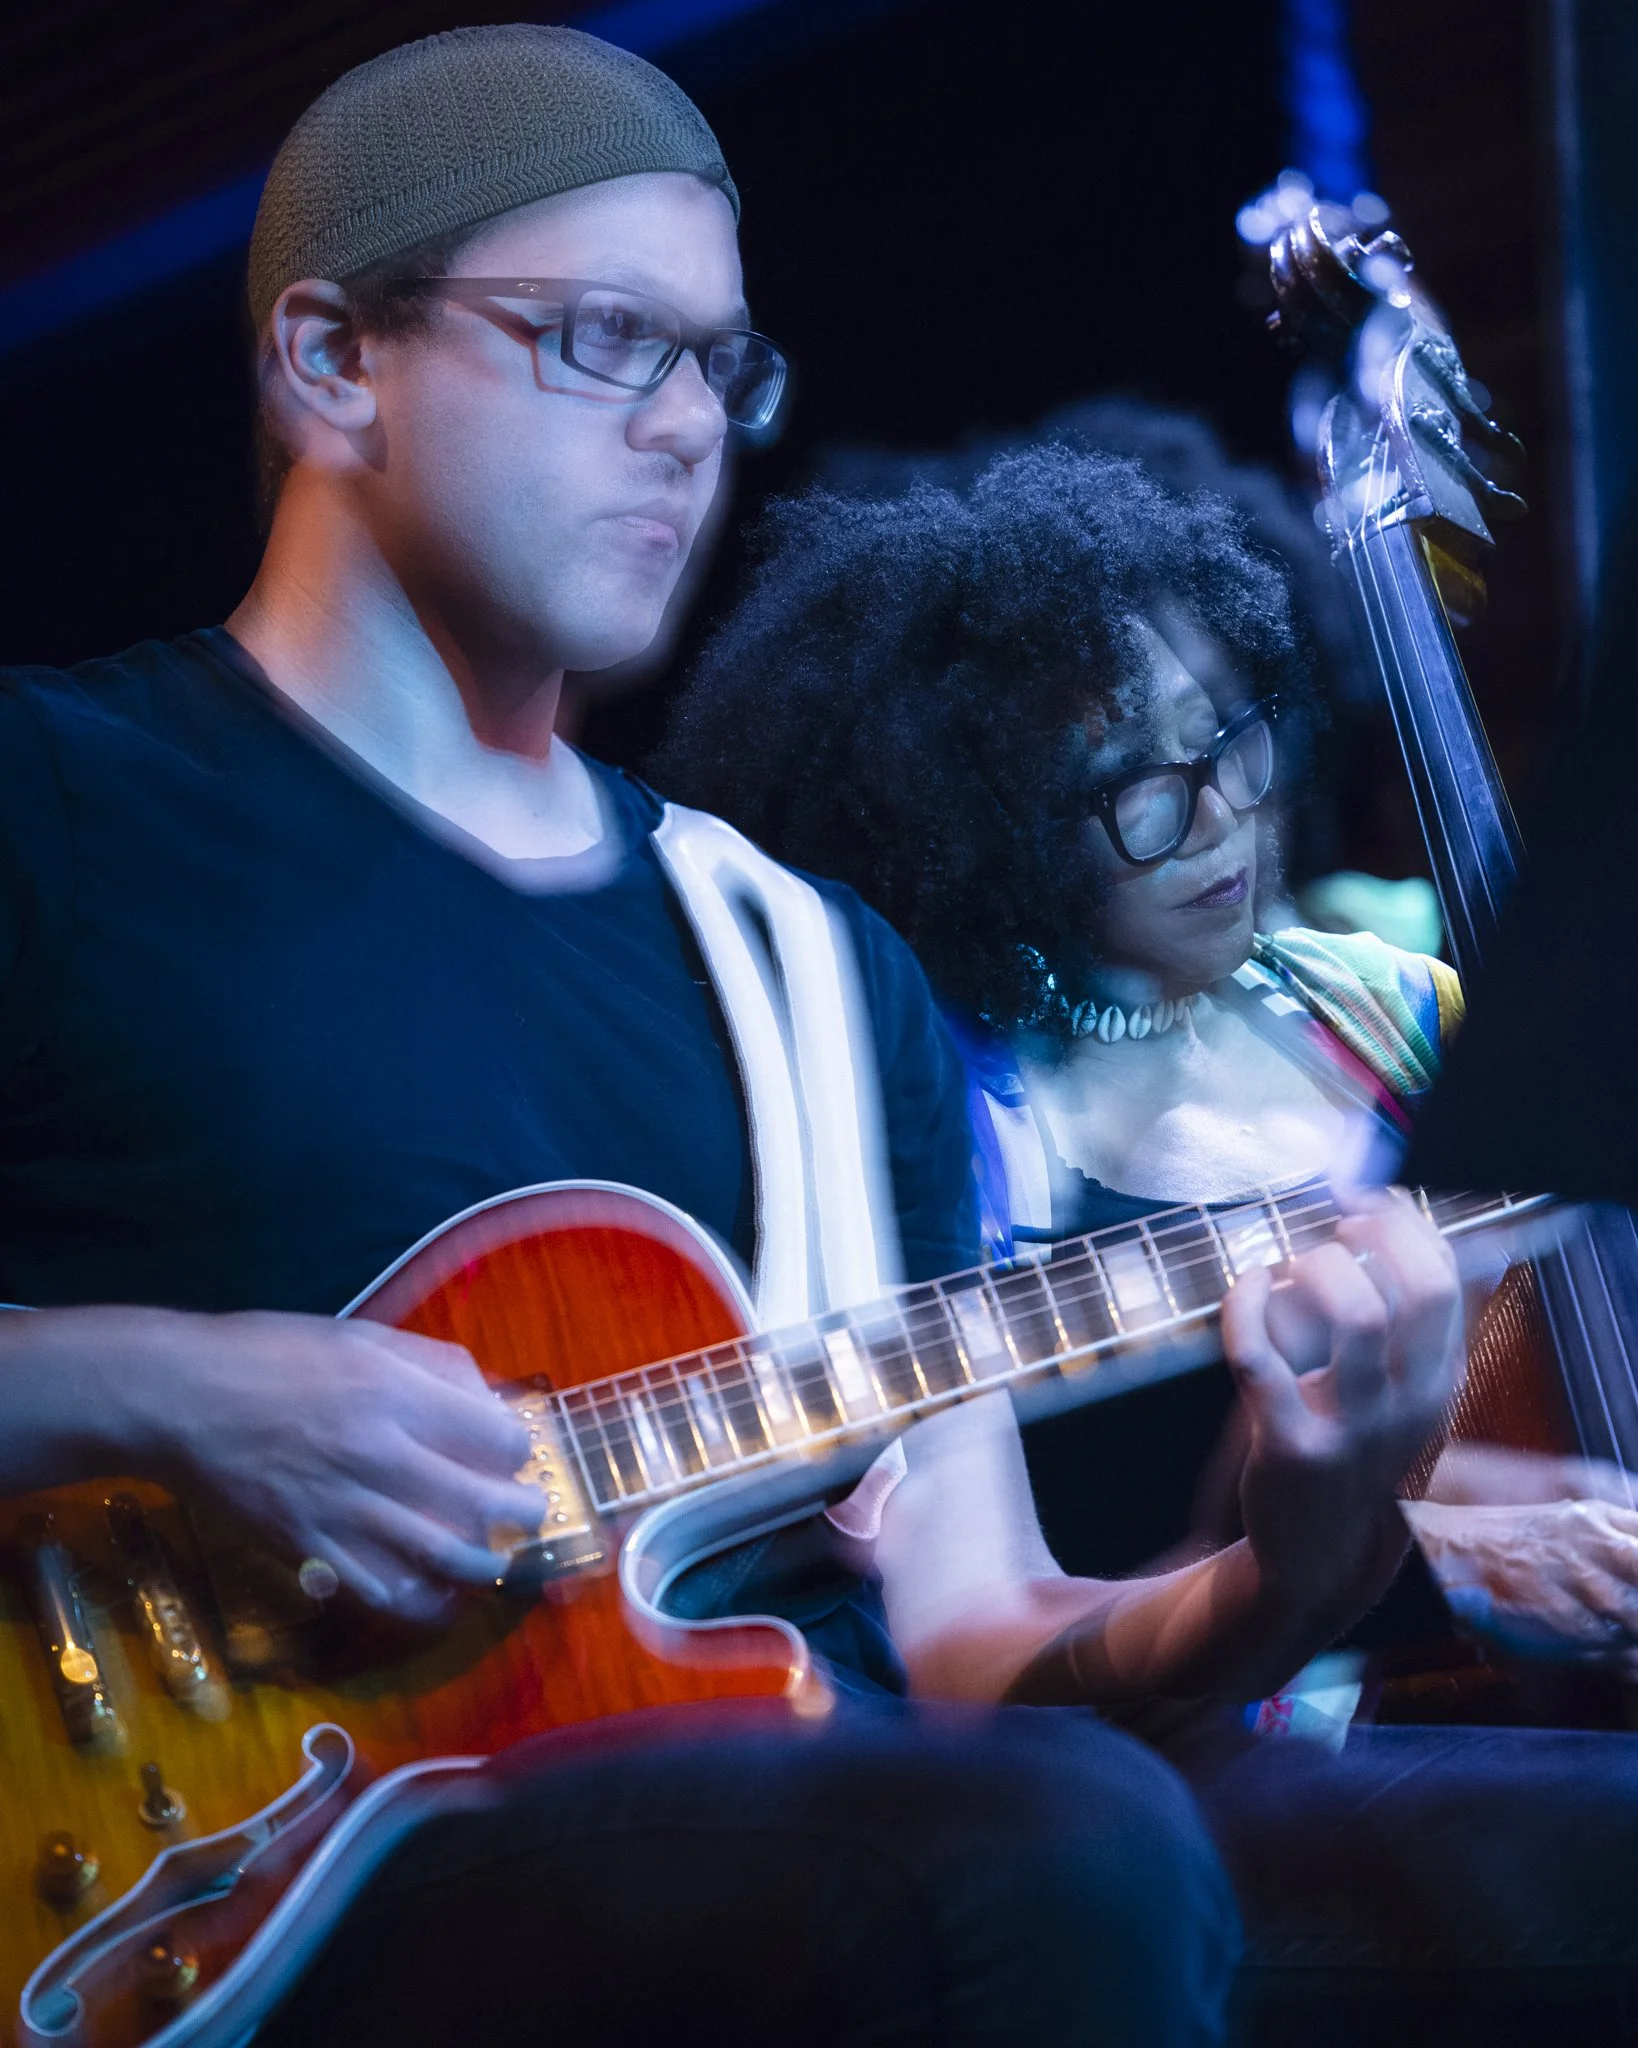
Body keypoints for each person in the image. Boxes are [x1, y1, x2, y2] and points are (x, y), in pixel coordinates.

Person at [0, 25, 1519, 2048]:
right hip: (235, 1881)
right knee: (1058, 1854)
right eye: (606, 341)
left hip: (804, 1814)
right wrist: (168, 1388)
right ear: (329, 359)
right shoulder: (59, 801)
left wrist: (1294, 1564)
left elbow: (977, 1644)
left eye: (718, 363)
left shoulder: (809, 963)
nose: (687, 427)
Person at [657, 440, 1638, 2036]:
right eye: (1131, 790)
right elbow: (1008, 1625)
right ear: (979, 827)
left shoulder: (1378, 1012)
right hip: (1172, 1775)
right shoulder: (957, 1133)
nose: (1216, 818)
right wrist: (1439, 1554)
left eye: (1229, 739)